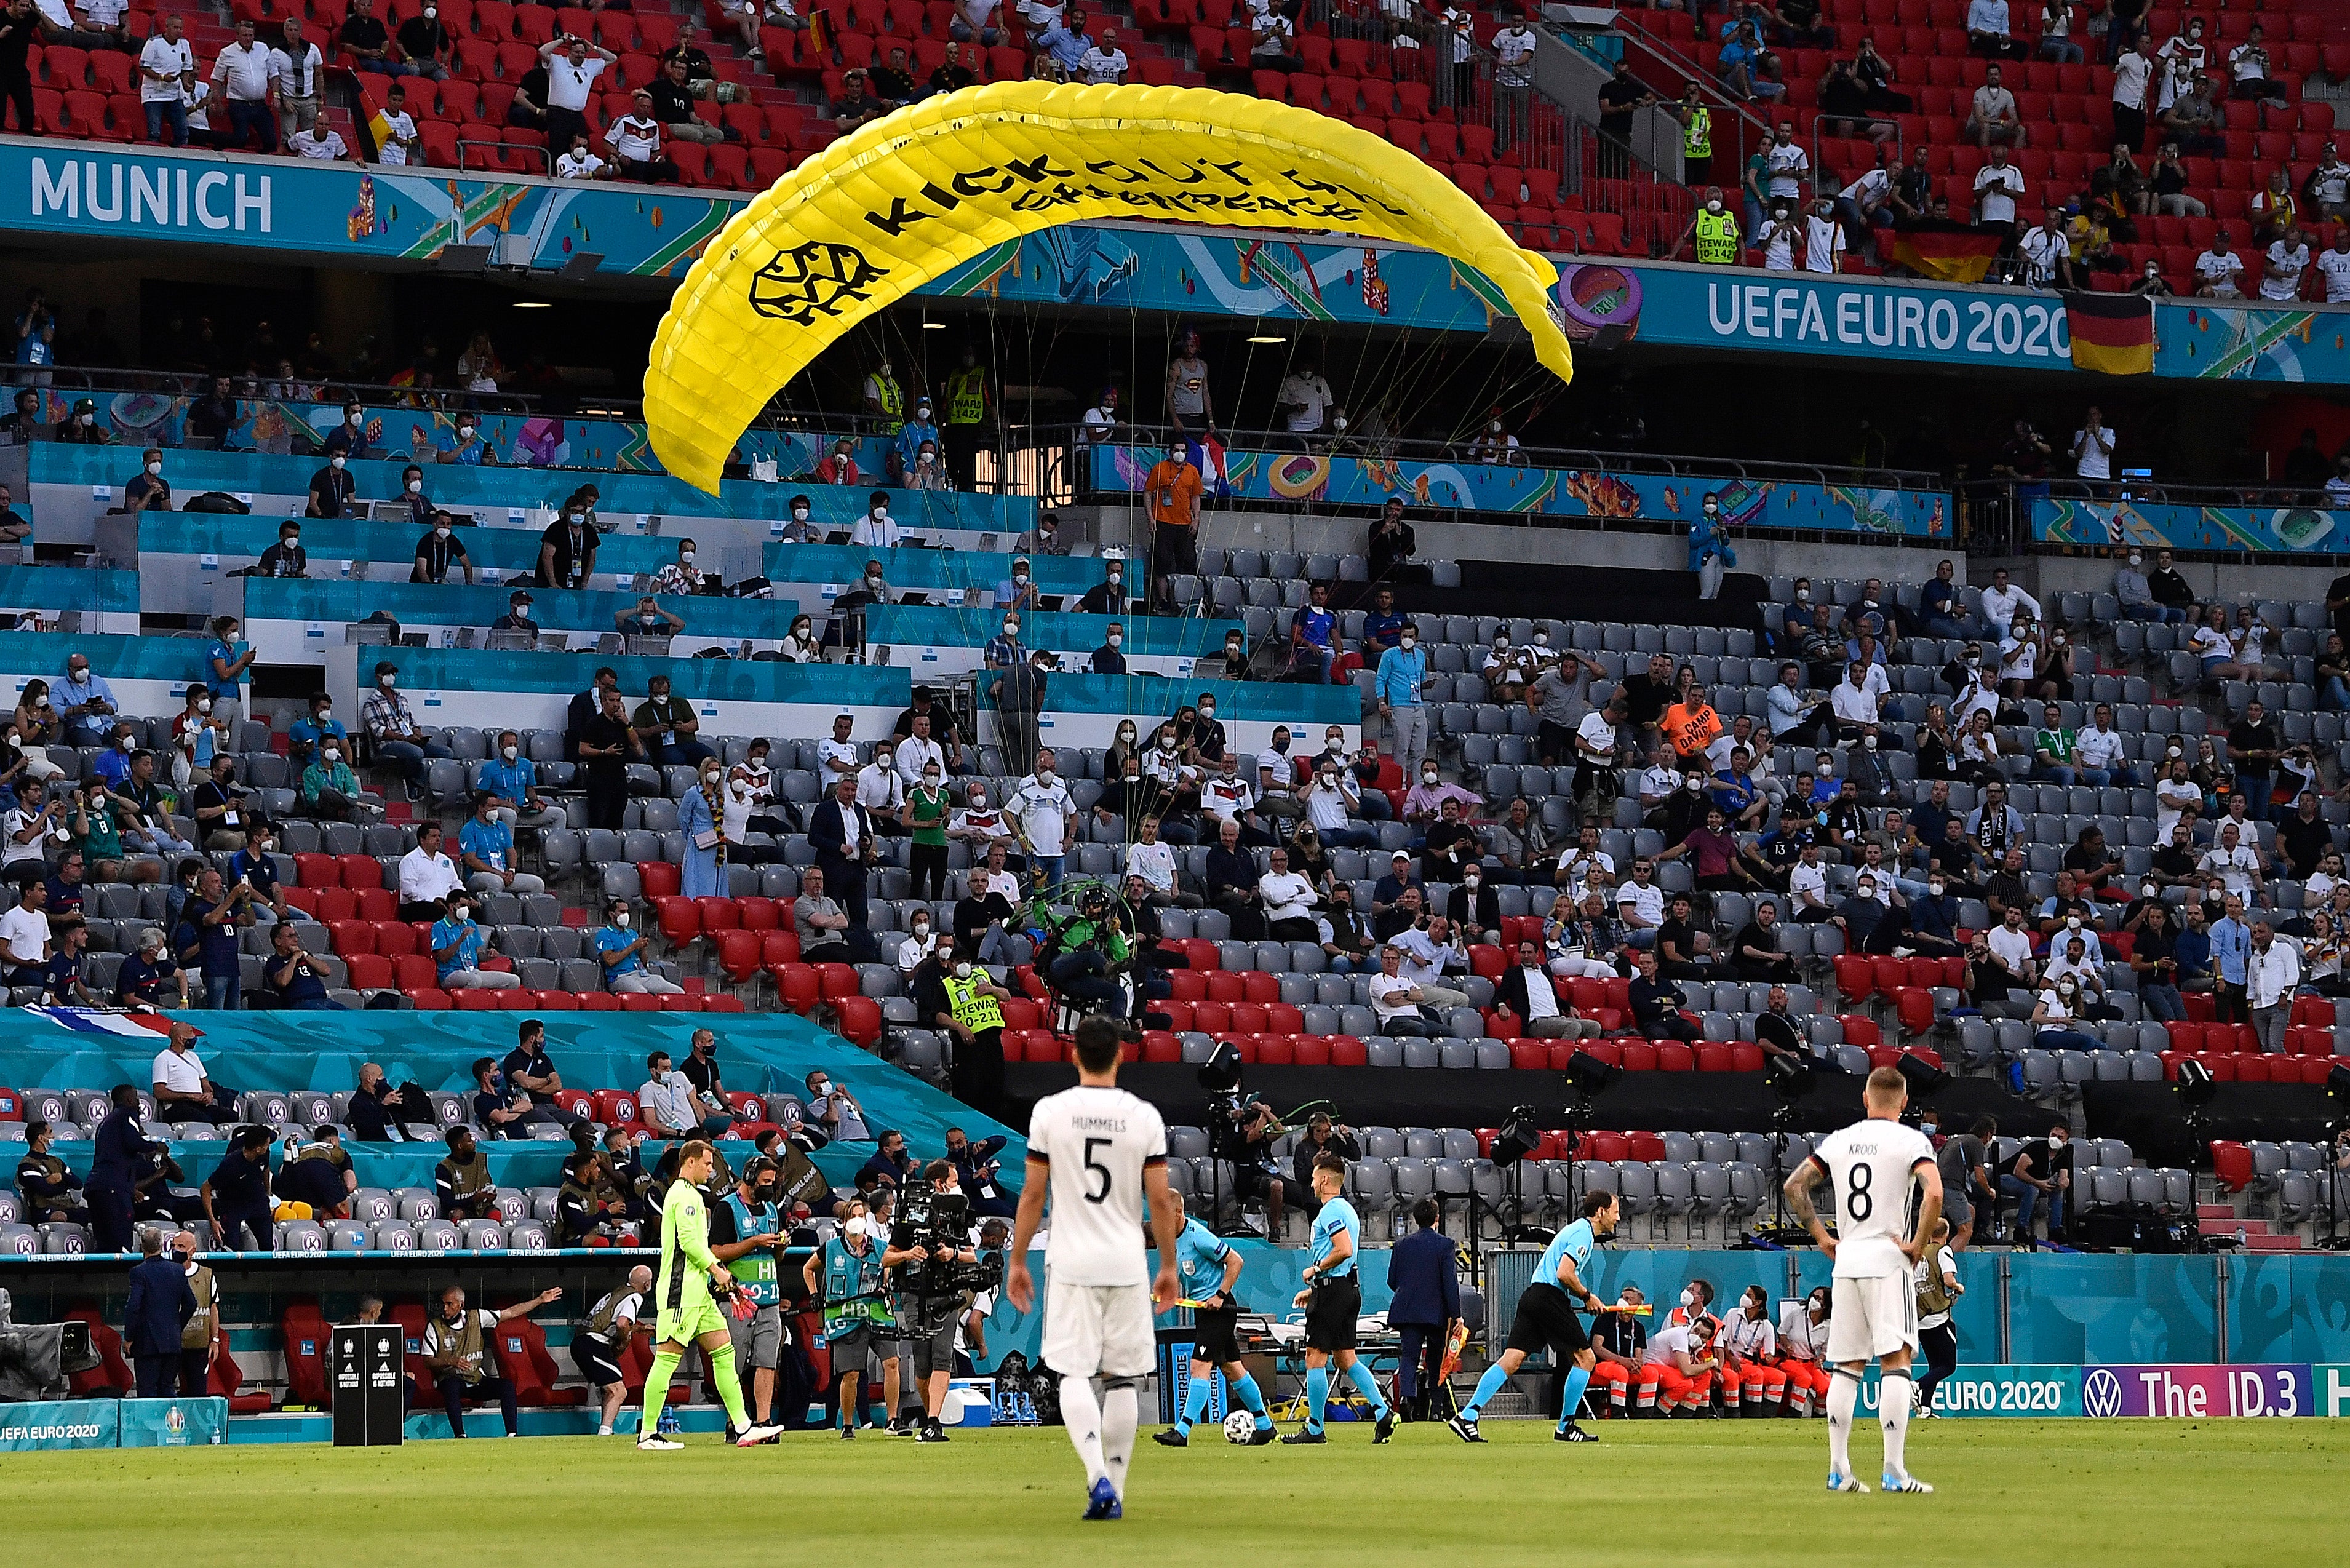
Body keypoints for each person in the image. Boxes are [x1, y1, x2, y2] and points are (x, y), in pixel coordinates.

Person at [1005, 1016, 1181, 1516]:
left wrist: (1017, 1258)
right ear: (1121, 1055)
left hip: (1072, 1259)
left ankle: (1095, 1475)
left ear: (1074, 1054)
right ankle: (1117, 1491)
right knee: (1123, 1378)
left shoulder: (1051, 1113)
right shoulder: (1143, 1115)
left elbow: (1034, 1193)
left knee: (1073, 1373)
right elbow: (1161, 1200)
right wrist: (1167, 1263)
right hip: (1126, 1260)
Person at [1783, 1065, 1943, 1494]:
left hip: (1848, 1259)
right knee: (1897, 1361)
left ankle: (1839, 1468)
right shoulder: (1912, 1140)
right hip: (1888, 1260)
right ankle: (1893, 1469)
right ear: (1905, 1102)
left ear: (1865, 1098)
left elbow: (1795, 1185)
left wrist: (1821, 1235)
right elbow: (1934, 1192)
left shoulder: (1840, 1139)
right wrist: (1916, 1244)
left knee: (1847, 1366)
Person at [634, 1139, 779, 1450]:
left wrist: (718, 1281)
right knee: (667, 1360)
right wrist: (718, 1270)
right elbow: (689, 1243)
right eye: (708, 1164)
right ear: (690, 1162)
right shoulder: (683, 1195)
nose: (712, 1170)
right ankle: (647, 1434)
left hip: (700, 1294)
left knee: (725, 1354)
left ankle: (743, 1427)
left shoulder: (693, 1196)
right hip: (681, 1293)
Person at [1451, 1189, 1619, 1442]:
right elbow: (1564, 1273)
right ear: (1601, 1212)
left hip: (1534, 1295)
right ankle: (1566, 1426)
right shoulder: (1584, 1233)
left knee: (1512, 1360)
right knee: (1586, 1359)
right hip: (1549, 1297)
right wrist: (1587, 1296)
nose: (1618, 1218)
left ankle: (1467, 1416)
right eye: (1615, 1212)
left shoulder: (1577, 1230)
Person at [1272, 1152, 1396, 1446]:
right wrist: (1316, 1287)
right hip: (1345, 1289)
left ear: (1325, 1179)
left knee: (1314, 1357)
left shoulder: (1330, 1212)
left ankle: (1315, 1428)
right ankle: (1382, 1411)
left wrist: (1316, 1270)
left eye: (1315, 1177)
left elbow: (1343, 1249)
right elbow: (1345, 1256)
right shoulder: (1348, 1210)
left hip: (1333, 1292)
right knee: (1346, 1357)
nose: (1312, 1182)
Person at [1150, 1189, 1277, 1446]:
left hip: (1218, 1311)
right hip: (1203, 1311)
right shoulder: (1171, 1239)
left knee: (1199, 1366)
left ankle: (1182, 1431)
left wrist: (1220, 1295)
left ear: (1178, 1212)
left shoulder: (1199, 1236)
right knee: (1233, 1369)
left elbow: (1236, 1261)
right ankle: (1265, 1425)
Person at [422, 1283, 561, 1439]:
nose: (445, 1309)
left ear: (461, 1305)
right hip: (450, 1380)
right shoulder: (434, 1326)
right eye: (443, 1304)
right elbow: (427, 1361)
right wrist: (450, 1361)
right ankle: (460, 1435)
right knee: (451, 1386)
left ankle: (512, 1434)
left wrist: (539, 1300)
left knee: (506, 1386)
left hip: (475, 1379)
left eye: (450, 1304)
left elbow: (510, 1313)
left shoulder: (477, 1317)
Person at [808, 1198, 896, 1436]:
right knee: (851, 1374)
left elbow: (888, 1268)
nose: (858, 1220)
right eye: (853, 1216)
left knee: (892, 1362)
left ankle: (892, 1421)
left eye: (862, 1215)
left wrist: (886, 1285)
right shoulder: (832, 1248)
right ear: (844, 1222)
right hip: (845, 1316)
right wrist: (815, 1294)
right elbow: (808, 1268)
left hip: (876, 1312)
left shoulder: (880, 1246)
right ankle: (847, 1424)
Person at [1385, 1196, 1463, 1423]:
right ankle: (1436, 1408)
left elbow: (1392, 1280)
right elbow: (1450, 1283)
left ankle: (1408, 1402)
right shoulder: (1445, 1245)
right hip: (1435, 1313)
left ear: (1415, 1219)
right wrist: (1456, 1314)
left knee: (1409, 1357)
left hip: (1407, 1310)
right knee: (1436, 1360)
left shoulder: (1401, 1245)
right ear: (1437, 1219)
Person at [576, 1266, 651, 1436]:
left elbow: (613, 1320)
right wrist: (623, 1341)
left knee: (610, 1389)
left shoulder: (621, 1291)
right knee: (620, 1391)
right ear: (647, 1284)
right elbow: (622, 1324)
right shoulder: (635, 1297)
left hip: (585, 1342)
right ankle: (605, 1432)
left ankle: (606, 1430)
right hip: (592, 1344)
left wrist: (640, 1328)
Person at [124, 1230, 199, 1398]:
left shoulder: (139, 1272)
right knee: (168, 1388)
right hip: (172, 1342)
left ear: (142, 1246)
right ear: (161, 1245)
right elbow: (191, 1304)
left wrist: (129, 1338)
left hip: (147, 1344)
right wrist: (176, 1326)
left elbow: (133, 1307)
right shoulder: (177, 1271)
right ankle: (170, 1424)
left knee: (148, 1392)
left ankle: (149, 1425)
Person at [1911, 1217, 1962, 1418]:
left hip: (1920, 1317)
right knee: (1948, 1366)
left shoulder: (1918, 1253)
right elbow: (1949, 1281)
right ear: (1946, 1234)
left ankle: (1925, 1408)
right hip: (1938, 1316)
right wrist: (1958, 1288)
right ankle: (1916, 1386)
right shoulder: (1943, 1251)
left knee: (1935, 1365)